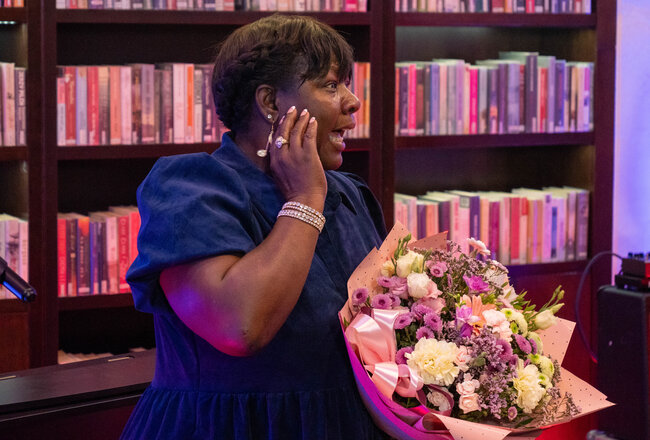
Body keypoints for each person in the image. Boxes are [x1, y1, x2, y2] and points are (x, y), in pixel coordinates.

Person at [120, 14, 388, 440]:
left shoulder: (351, 195)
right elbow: (240, 328)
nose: (353, 102)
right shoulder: (189, 189)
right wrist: (305, 198)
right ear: (270, 103)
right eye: (331, 85)